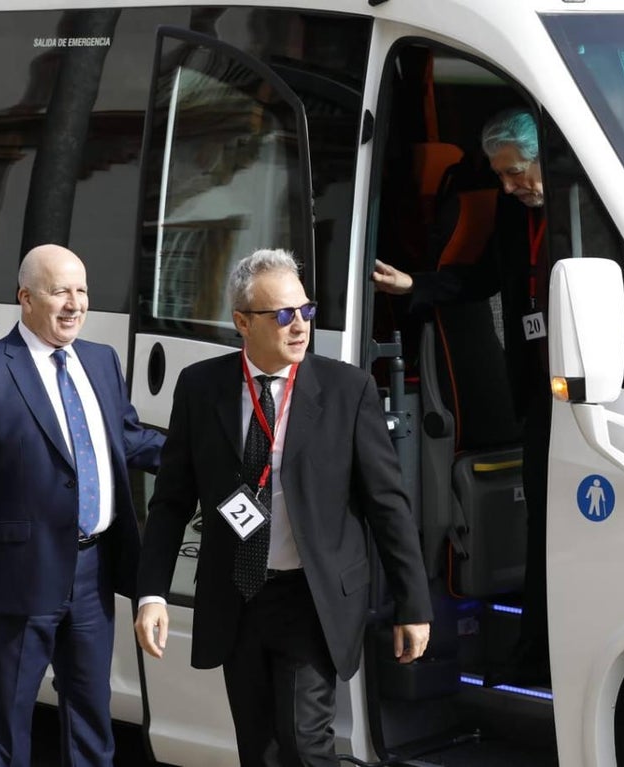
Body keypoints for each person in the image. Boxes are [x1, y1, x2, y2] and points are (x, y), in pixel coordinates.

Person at [135, 248, 432, 767]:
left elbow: (387, 504)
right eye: (283, 315)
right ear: (242, 323)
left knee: (304, 740)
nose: (300, 326)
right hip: (238, 596)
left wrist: (414, 605)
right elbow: (172, 501)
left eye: (306, 311)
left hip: (311, 597)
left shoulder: (347, 389)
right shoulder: (202, 387)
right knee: (259, 748)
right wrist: (152, 593)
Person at [0, 243, 164, 767]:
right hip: (19, 574)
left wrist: (203, 457)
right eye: (60, 292)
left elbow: (127, 439)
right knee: (6, 731)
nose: (75, 304)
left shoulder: (101, 361)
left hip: (94, 570)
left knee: (92, 724)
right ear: (26, 298)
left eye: (82, 291)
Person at [370, 107, 552, 688]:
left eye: (516, 172)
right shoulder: (512, 211)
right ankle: (535, 653)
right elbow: (483, 280)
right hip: (540, 394)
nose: (509, 187)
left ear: (547, 158)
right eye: (500, 176)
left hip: (594, 389)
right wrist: (415, 286)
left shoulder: (584, 211)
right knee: (542, 527)